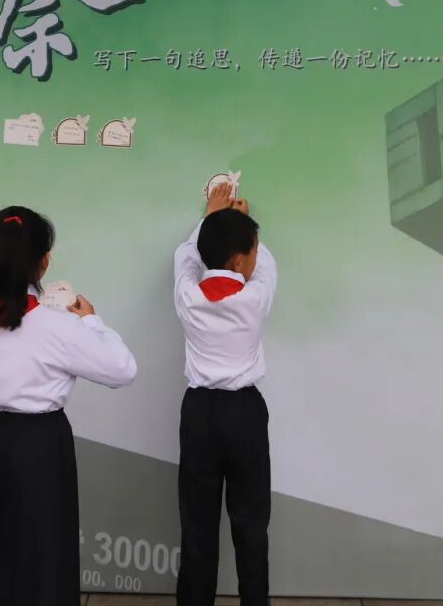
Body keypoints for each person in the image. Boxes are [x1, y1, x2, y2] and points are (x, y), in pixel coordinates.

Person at [0, 206, 137, 606]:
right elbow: (122, 370)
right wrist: (91, 321)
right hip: (41, 447)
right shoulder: (59, 323)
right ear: (44, 262)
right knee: (41, 555)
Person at [174, 183, 278, 606]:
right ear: (240, 259)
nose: (255, 255)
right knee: (251, 527)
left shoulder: (188, 295)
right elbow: (265, 266)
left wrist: (212, 218)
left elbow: (185, 256)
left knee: (197, 527)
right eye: (251, 249)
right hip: (244, 414)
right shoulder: (255, 298)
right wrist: (242, 221)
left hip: (199, 413)